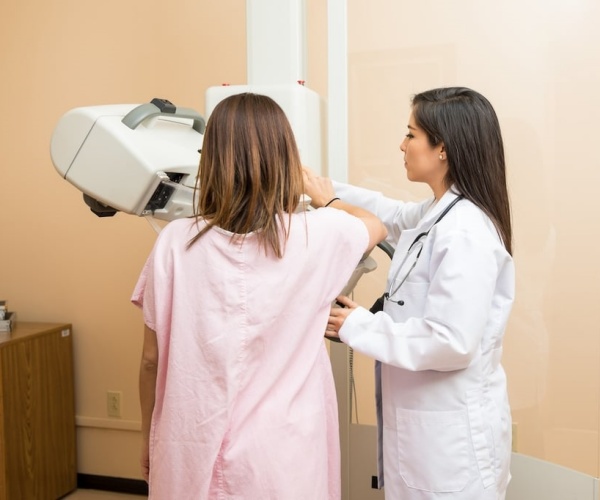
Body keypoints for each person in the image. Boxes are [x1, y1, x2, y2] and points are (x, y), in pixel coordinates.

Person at [131, 92, 387, 499]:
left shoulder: (174, 242)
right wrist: (325, 197)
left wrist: (149, 438)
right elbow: (374, 224)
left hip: (191, 450)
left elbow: (151, 359)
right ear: (285, 158)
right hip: (281, 459)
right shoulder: (317, 232)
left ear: (210, 159)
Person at [320, 87, 515, 499]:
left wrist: (361, 326)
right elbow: (390, 213)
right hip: (427, 436)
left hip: (451, 451)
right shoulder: (439, 212)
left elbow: (452, 341)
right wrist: (324, 191)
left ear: (441, 147)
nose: (402, 145)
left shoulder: (464, 232)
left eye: (411, 135)